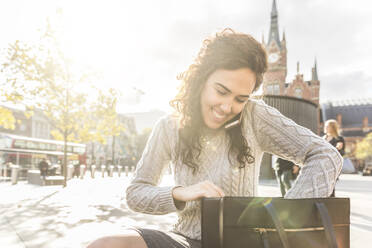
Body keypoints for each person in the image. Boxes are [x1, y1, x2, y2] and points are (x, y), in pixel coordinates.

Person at [87, 29, 342, 248]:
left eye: (240, 99)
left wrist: (284, 220)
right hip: (185, 239)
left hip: (244, 242)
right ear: (201, 79)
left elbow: (326, 154)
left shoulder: (254, 115)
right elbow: (136, 193)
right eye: (221, 91)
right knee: (106, 244)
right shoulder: (168, 126)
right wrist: (181, 193)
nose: (227, 106)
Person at [323, 119, 345, 197]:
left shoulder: (339, 139)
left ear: (333, 127)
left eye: (327, 126)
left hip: (333, 165)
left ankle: (331, 205)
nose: (325, 127)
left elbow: (342, 153)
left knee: (331, 186)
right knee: (323, 186)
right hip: (322, 165)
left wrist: (338, 149)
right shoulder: (323, 138)